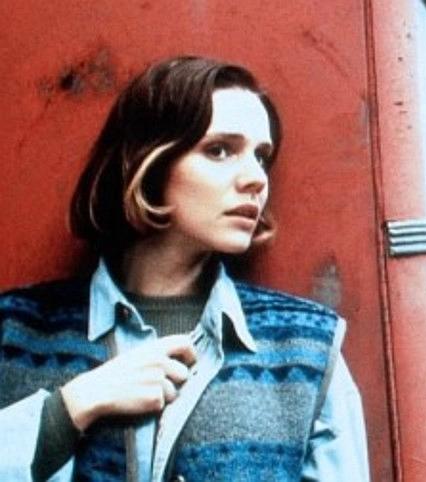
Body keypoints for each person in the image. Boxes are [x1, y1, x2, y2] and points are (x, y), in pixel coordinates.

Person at [0, 56, 369, 482]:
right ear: (147, 163)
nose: (256, 179)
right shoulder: (15, 330)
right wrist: (67, 412)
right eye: (219, 150)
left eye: (261, 157)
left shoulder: (307, 347)